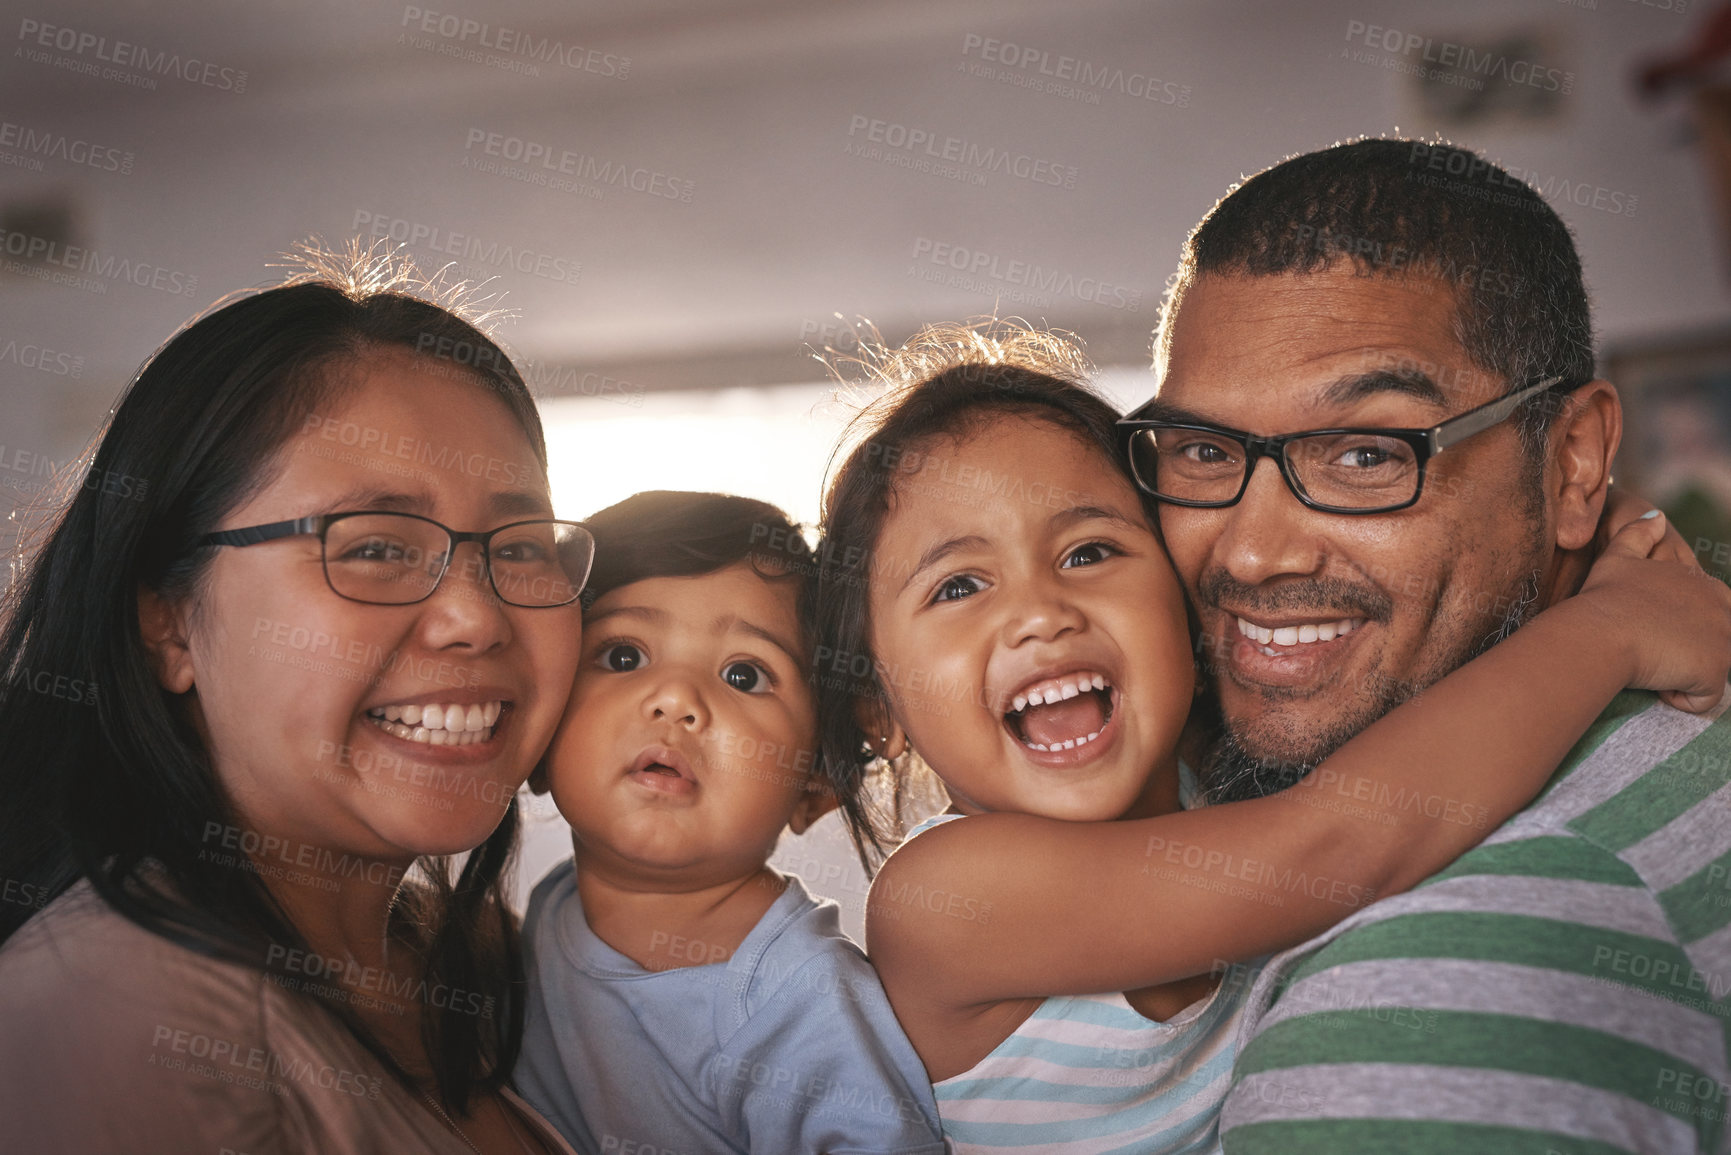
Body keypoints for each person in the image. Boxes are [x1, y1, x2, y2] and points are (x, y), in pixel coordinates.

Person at [811, 321, 1731, 1152]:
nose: (1040, 613)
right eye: (957, 587)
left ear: (1180, 595)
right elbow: (1340, 839)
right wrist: (1608, 631)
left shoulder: (1221, 766)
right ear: (876, 712)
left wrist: (1604, 527)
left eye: (1089, 552)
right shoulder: (945, 899)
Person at [1119, 137, 1731, 1154]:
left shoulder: (1431, 967)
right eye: (1205, 450)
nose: (1255, 551)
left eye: (1366, 452)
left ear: (1573, 459)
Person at [0, 244, 592, 1154]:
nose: (475, 616)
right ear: (167, 623)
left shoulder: (481, 959)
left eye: (518, 544)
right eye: (374, 545)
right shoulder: (122, 1007)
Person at [515, 490, 946, 1155]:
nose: (676, 698)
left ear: (817, 781)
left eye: (744, 674)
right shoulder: (550, 908)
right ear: (536, 739)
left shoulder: (796, 997)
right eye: (624, 656)